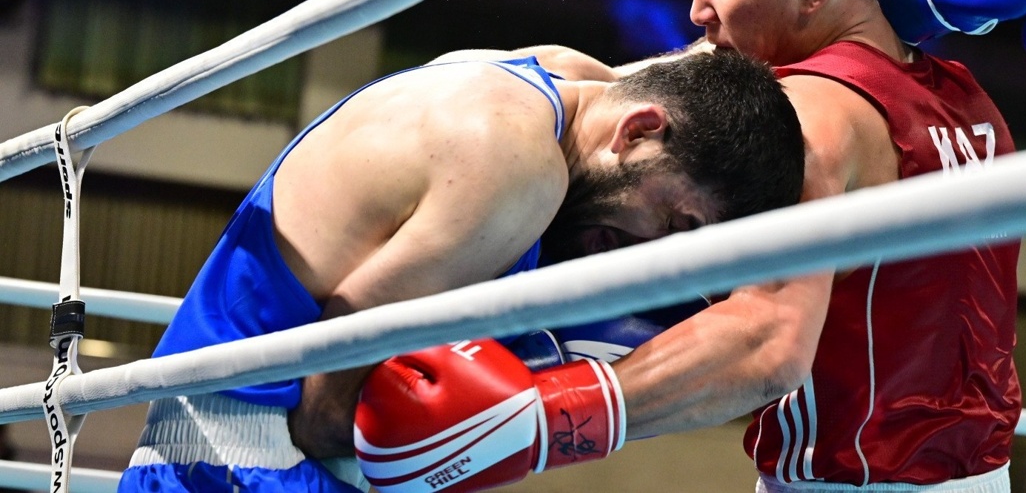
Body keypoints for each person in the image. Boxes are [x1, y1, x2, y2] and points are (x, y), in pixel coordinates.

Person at [359, 0, 1026, 492]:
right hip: (977, 477)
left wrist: (544, 419)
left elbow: (766, 343)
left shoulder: (809, 118)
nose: (696, 9)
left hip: (850, 482)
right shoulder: (964, 98)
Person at [116, 46, 806, 492]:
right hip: (253, 453)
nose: (650, 248)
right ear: (638, 132)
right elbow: (328, 409)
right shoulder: (517, 170)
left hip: (210, 432)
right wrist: (461, 444)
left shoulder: (555, 75)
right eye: (675, 222)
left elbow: (672, 80)